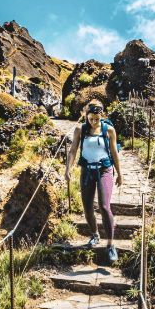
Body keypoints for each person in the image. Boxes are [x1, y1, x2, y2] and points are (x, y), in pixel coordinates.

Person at [65, 99, 123, 263]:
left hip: (104, 170)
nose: (94, 122)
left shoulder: (109, 130)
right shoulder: (80, 130)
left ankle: (111, 245)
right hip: (87, 172)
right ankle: (94, 234)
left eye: (97, 119)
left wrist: (120, 173)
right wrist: (68, 168)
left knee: (104, 207)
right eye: (91, 119)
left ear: (101, 116)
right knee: (87, 207)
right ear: (86, 116)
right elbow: (73, 151)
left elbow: (114, 153)